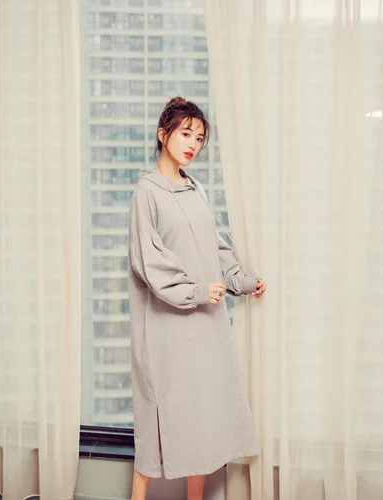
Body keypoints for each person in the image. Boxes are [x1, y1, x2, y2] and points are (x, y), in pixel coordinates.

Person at [127, 96, 267, 500]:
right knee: (159, 417)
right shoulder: (147, 192)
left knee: (203, 417)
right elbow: (148, 260)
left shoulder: (195, 189)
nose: (193, 144)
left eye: (200, 138)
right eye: (186, 134)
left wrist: (240, 280)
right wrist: (196, 291)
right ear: (163, 134)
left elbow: (214, 246)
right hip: (167, 327)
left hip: (206, 325)